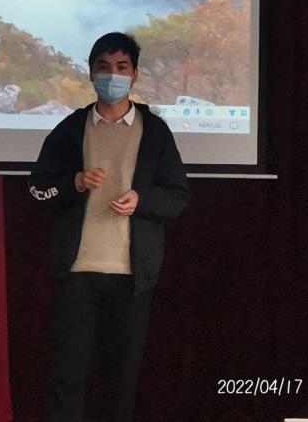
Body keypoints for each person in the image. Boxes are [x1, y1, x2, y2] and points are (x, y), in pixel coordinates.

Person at [28, 32, 191, 422]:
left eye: (121, 67)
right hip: (77, 273)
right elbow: (37, 190)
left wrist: (141, 201)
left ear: (134, 75)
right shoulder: (70, 128)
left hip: (132, 276)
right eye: (103, 67)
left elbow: (177, 196)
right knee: (67, 374)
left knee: (121, 379)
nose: (112, 76)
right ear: (90, 74)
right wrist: (74, 183)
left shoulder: (155, 131)